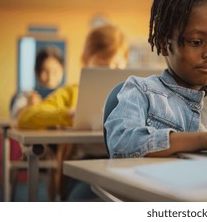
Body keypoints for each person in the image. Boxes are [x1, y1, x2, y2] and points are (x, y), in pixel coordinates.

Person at [105, 0, 207, 159]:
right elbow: (120, 144)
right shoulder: (141, 91)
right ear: (164, 45)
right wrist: (205, 140)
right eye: (196, 42)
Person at [17, 24, 129, 201]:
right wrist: (67, 115)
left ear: (125, 63)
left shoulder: (134, 94)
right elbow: (26, 117)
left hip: (127, 167)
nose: (109, 72)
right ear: (86, 61)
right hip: (85, 167)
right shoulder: (71, 93)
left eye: (116, 65)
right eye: (101, 65)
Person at [10, 46, 65, 120]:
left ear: (62, 71)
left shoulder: (67, 96)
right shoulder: (26, 95)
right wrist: (28, 107)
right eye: (45, 71)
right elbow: (15, 115)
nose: (50, 77)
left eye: (55, 71)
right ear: (37, 71)